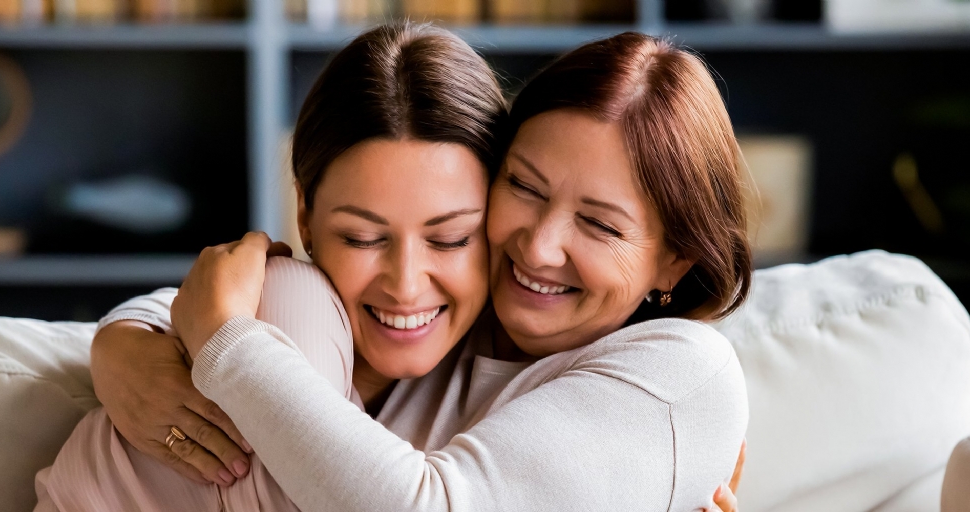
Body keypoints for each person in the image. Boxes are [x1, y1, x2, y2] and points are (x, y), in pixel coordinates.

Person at [39, 23, 746, 512]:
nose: (536, 247)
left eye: (598, 223)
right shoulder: (416, 324)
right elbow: (225, 298)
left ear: (675, 256)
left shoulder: (678, 373)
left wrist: (225, 344)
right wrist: (123, 341)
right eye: (525, 188)